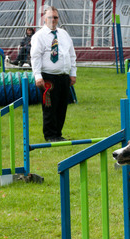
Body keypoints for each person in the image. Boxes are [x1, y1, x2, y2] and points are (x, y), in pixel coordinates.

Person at [30, 6, 77, 142]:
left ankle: (58, 133)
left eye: (55, 17)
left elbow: (71, 54)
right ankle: (50, 135)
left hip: (64, 77)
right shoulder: (39, 36)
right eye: (50, 17)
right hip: (48, 77)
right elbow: (35, 57)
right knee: (50, 107)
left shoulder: (64, 34)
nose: (53, 20)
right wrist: (38, 76)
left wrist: (72, 73)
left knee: (62, 106)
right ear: (45, 18)